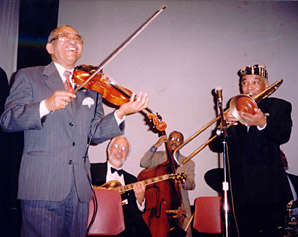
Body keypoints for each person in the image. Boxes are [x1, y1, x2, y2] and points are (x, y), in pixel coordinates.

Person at [0, 25, 148, 237]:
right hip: (42, 185)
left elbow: (95, 132)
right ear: (50, 47)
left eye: (78, 38)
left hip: (80, 189)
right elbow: (7, 120)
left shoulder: (91, 86)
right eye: (65, 37)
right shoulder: (28, 76)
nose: (73, 41)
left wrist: (121, 112)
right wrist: (46, 106)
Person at [209, 64, 292, 236]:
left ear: (266, 85)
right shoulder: (233, 108)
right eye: (245, 83)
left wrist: (263, 123)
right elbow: (215, 146)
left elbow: (283, 135)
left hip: (269, 190)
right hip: (239, 190)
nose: (249, 87)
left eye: (256, 82)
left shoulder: (278, 106)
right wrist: (221, 126)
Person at [90, 135, 152, 237]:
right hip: (98, 224)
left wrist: (140, 200)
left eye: (124, 149)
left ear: (126, 155)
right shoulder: (92, 169)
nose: (119, 151)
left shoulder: (132, 179)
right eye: (116, 147)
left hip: (125, 229)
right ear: (108, 150)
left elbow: (137, 213)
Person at [140, 131, 195, 237]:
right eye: (172, 139)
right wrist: (156, 145)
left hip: (180, 206)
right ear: (168, 140)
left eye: (178, 140)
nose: (174, 142)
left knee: (187, 231)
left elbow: (192, 184)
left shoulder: (188, 163)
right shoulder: (158, 156)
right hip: (161, 207)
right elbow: (143, 163)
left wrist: (182, 182)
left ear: (182, 143)